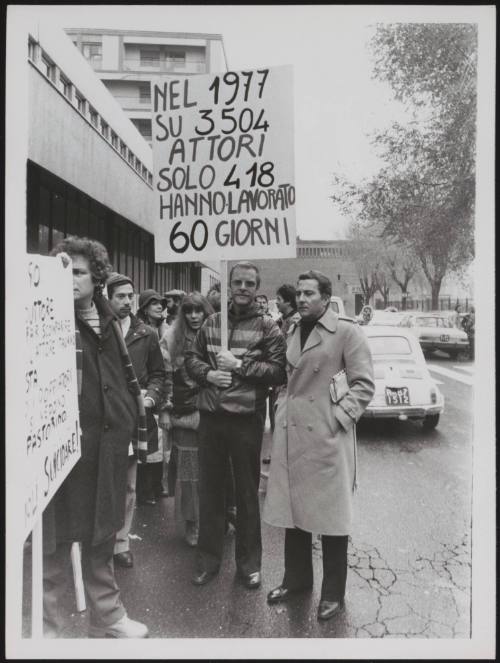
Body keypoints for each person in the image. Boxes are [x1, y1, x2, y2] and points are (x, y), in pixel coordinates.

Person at [44, 237, 148, 638]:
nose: (70, 278)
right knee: (55, 538)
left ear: (97, 278)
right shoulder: (47, 319)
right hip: (63, 449)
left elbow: (121, 380)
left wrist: (124, 427)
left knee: (102, 533)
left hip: (105, 448)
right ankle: (48, 625)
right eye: (65, 269)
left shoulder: (107, 320)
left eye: (79, 272)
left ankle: (108, 615)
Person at [263, 270, 375, 621]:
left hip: (325, 438)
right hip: (292, 432)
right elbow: (288, 379)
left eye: (309, 293)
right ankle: (296, 581)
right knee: (294, 514)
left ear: (326, 298)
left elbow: (363, 385)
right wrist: (283, 407)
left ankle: (333, 594)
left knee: (330, 519)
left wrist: (336, 420)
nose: (302, 298)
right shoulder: (294, 328)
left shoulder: (346, 331)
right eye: (299, 292)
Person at [185, 261, 287, 588]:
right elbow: (192, 359)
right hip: (212, 417)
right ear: (229, 285)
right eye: (237, 283)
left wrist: (239, 365)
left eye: (249, 283)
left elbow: (277, 372)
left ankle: (248, 565)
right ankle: (208, 561)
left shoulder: (269, 327)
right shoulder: (212, 322)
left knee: (246, 493)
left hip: (246, 419)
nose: (242, 288)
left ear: (256, 288)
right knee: (210, 491)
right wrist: (208, 373)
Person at [106, 273, 166, 568]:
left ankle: (121, 542)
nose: (127, 301)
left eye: (131, 295)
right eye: (120, 296)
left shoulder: (147, 334)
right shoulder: (98, 329)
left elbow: (158, 373)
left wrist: (152, 397)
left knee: (130, 486)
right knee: (104, 482)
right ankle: (99, 540)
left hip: (133, 419)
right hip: (103, 420)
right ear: (107, 297)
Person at [160, 293, 213, 547]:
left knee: (216, 470)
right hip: (186, 415)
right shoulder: (171, 339)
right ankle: (192, 524)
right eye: (189, 311)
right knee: (190, 475)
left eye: (198, 311)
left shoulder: (217, 335)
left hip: (215, 413)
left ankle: (215, 520)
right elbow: (163, 377)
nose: (194, 316)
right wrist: (166, 409)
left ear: (206, 312)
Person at [134, 289, 171, 504]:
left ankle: (156, 486)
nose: (160, 307)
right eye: (154, 303)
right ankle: (145, 490)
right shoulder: (142, 331)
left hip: (159, 391)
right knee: (146, 445)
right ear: (145, 307)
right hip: (145, 392)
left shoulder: (163, 329)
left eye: (162, 303)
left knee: (159, 446)